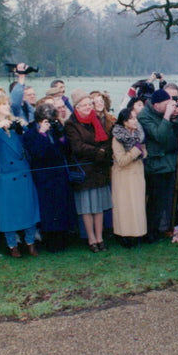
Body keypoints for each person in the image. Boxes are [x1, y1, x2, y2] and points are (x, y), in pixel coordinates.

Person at [0, 95, 41, 257]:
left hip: (24, 173)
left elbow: (28, 143)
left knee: (29, 209)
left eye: (8, 103)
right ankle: (12, 244)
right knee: (8, 213)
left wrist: (24, 128)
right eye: (3, 104)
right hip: (6, 176)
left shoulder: (15, 124)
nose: (7, 106)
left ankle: (30, 242)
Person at [64, 89, 114, 252]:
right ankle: (91, 239)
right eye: (84, 105)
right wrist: (97, 152)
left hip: (99, 170)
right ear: (76, 107)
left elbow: (105, 139)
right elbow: (77, 146)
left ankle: (100, 238)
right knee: (87, 208)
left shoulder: (96, 119)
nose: (88, 107)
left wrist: (103, 151)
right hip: (85, 172)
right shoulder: (71, 124)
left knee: (99, 207)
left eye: (89, 104)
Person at [22, 103, 75, 252]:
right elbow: (37, 153)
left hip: (59, 175)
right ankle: (51, 241)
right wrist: (42, 134)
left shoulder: (55, 129)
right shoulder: (31, 134)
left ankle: (64, 237)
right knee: (48, 209)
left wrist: (61, 135)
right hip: (44, 176)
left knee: (62, 207)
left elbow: (67, 150)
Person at [137, 88, 178, 241]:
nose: (169, 106)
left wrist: (175, 118)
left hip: (168, 162)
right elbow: (160, 136)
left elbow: (175, 135)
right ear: (156, 105)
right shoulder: (144, 116)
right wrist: (168, 116)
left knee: (164, 201)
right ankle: (150, 232)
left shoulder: (163, 113)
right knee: (154, 201)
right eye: (166, 104)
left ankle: (158, 230)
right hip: (155, 165)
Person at [110, 107, 148, 247]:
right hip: (124, 176)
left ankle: (138, 233)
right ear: (125, 122)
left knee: (137, 205)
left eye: (135, 118)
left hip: (137, 173)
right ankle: (124, 235)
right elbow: (121, 160)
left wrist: (142, 152)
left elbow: (144, 150)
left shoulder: (138, 134)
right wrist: (136, 150)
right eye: (132, 118)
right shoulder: (117, 138)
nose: (135, 121)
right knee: (125, 206)